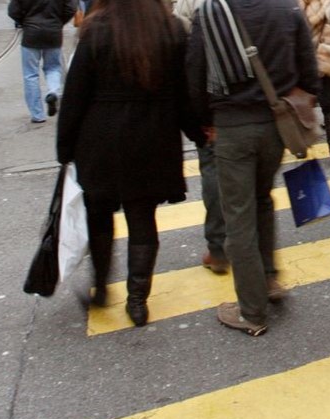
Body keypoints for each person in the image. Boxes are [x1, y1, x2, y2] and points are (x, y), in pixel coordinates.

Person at [56, 0, 205, 327]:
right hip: (152, 141)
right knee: (143, 219)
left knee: (99, 217)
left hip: (100, 141)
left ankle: (101, 288)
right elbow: (184, 94)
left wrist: (64, 148)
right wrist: (199, 133)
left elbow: (75, 96)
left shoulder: (95, 29)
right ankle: (137, 301)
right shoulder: (168, 29)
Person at [186, 0, 320, 337]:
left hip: (231, 127)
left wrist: (204, 123)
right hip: (276, 124)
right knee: (262, 199)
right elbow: (310, 71)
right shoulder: (288, 9)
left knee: (239, 217)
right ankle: (269, 278)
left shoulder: (210, 13)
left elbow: (195, 74)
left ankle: (252, 311)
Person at [173, 0, 230, 275]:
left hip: (215, 109)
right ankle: (257, 258)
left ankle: (219, 249)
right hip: (253, 108)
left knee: (214, 177)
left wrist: (200, 123)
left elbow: (192, 67)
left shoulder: (193, 6)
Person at [8, 0, 76, 124]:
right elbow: (71, 9)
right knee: (53, 67)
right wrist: (58, 23)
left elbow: (13, 11)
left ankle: (37, 114)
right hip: (53, 33)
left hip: (30, 34)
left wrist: (24, 22)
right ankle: (53, 92)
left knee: (31, 75)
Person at [299, 0, 330, 164]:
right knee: (301, 104)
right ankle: (303, 145)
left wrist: (320, 59)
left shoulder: (328, 3)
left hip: (321, 59)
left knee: (328, 102)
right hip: (300, 60)